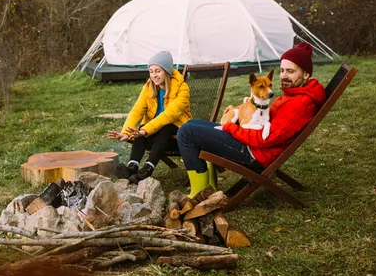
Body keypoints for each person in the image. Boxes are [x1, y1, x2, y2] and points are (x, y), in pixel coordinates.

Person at [177, 42, 326, 197]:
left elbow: (265, 140)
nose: (283, 75)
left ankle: (199, 194)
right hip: (252, 143)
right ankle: (210, 187)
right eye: (282, 70)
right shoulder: (296, 94)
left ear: (306, 74)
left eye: (290, 71)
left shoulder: (300, 103)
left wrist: (231, 128)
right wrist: (252, 107)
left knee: (187, 132)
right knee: (192, 123)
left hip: (254, 153)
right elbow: (272, 121)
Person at [108, 51, 191, 184]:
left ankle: (148, 168)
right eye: (151, 71)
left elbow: (169, 115)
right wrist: (126, 132)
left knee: (164, 127)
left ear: (167, 71)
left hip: (178, 136)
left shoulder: (183, 88)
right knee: (140, 130)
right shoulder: (148, 88)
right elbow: (136, 111)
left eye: (157, 71)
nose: (154, 75)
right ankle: (132, 167)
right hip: (155, 136)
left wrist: (145, 131)